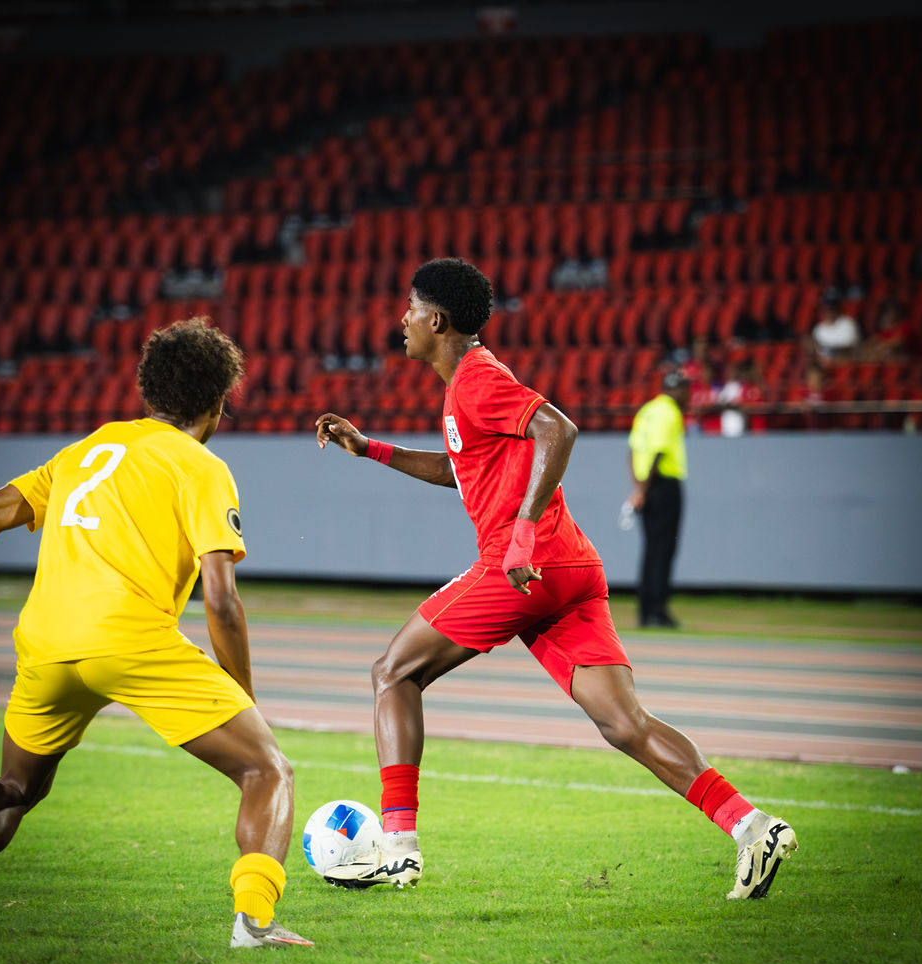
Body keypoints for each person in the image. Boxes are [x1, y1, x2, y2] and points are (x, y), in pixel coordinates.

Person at [314, 257, 797, 900]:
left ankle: (399, 847)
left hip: (523, 566)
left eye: (409, 308)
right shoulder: (467, 385)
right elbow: (461, 470)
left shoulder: (477, 379)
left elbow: (557, 428)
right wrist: (371, 448)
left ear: (437, 319)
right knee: (625, 724)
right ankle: (751, 825)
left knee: (392, 673)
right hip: (569, 569)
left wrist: (519, 531)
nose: (401, 319)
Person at [0, 317, 312, 949]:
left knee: (16, 787)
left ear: (148, 393)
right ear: (216, 402)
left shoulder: (89, 449)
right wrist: (241, 697)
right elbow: (222, 601)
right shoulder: (201, 466)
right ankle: (254, 922)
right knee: (268, 770)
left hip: (44, 645)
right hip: (131, 642)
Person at [627, 369, 689, 627]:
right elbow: (659, 452)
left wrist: (638, 489)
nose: (688, 394)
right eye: (686, 389)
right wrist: (644, 489)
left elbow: (632, 450)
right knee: (664, 550)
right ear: (677, 390)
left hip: (646, 485)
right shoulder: (670, 412)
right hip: (662, 485)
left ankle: (645, 611)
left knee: (651, 549)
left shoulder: (646, 411)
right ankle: (657, 611)